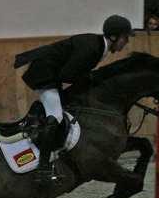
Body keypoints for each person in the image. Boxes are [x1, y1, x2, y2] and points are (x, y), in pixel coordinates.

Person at [13, 14, 134, 182]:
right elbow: (68, 74)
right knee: (55, 116)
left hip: (53, 73)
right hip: (44, 74)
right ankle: (43, 169)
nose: (126, 42)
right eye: (125, 38)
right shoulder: (93, 48)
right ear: (114, 37)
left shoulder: (99, 46)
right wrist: (90, 79)